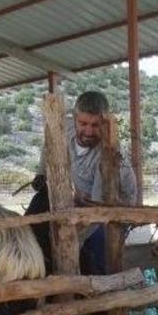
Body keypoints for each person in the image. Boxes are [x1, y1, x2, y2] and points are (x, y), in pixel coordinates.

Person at [32, 90, 137, 274]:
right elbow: (49, 144)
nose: (88, 131)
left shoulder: (108, 155)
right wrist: (41, 173)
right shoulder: (64, 129)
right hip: (83, 201)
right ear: (74, 119)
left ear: (105, 123)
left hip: (110, 209)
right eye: (83, 123)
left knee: (95, 254)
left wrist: (71, 242)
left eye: (95, 125)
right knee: (40, 203)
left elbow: (97, 210)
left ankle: (100, 285)